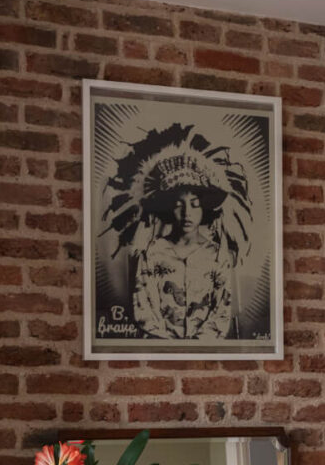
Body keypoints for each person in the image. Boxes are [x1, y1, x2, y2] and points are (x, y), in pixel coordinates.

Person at [102, 122, 253, 341]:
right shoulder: (152, 254)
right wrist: (170, 346)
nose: (187, 213)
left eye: (194, 204)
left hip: (206, 352)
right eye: (178, 204)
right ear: (169, 208)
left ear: (203, 208)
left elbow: (221, 313)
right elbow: (144, 310)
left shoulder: (217, 256)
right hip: (160, 350)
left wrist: (197, 347)